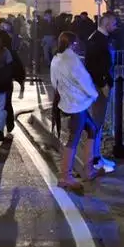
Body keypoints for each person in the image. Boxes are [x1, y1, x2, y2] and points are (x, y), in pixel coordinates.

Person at [50, 31, 100, 190]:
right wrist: (94, 94)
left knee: (92, 129)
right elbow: (83, 80)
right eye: (76, 43)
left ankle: (88, 169)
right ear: (72, 44)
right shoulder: (72, 60)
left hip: (68, 102)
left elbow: (54, 82)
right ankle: (66, 176)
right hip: (77, 104)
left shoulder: (56, 59)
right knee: (74, 138)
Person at [84, 13, 118, 175]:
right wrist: (103, 83)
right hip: (99, 86)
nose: (116, 26)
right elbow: (94, 65)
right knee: (97, 122)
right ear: (107, 24)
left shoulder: (99, 39)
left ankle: (96, 155)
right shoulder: (97, 40)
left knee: (99, 121)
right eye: (114, 23)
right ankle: (94, 158)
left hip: (101, 84)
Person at [0, 20, 27, 134]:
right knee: (7, 103)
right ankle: (9, 124)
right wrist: (20, 82)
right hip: (7, 82)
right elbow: (19, 69)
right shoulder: (12, 52)